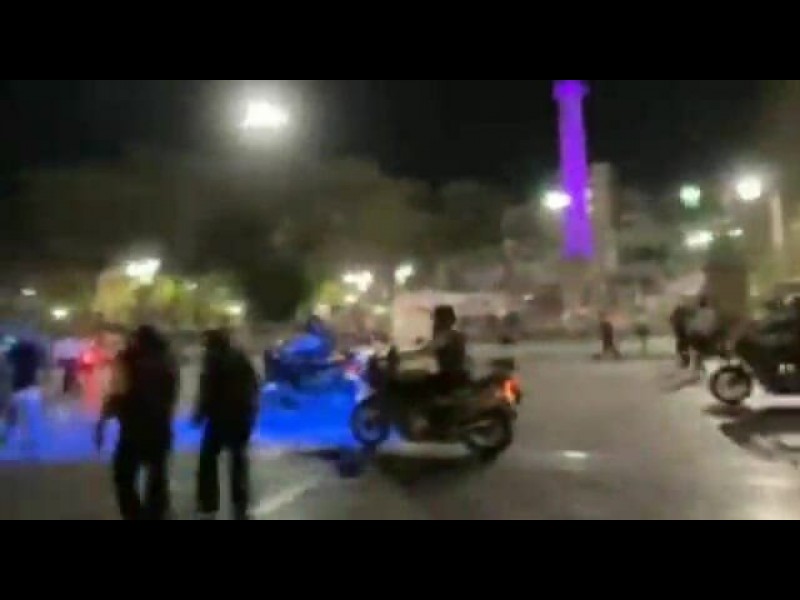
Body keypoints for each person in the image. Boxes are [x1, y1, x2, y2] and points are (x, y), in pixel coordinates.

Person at [95, 326, 179, 521]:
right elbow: (171, 395)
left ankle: (134, 514)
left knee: (123, 476)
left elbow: (118, 393)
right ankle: (156, 513)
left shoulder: (127, 360)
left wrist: (102, 422)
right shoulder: (168, 361)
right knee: (157, 475)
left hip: (133, 428)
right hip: (160, 427)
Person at [194, 329, 259, 520]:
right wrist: (251, 411)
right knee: (238, 462)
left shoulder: (212, 360)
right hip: (240, 417)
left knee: (207, 461)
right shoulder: (240, 357)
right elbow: (253, 384)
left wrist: (199, 414)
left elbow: (207, 390)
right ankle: (240, 506)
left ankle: (208, 505)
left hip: (219, 419)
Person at [6, 337, 47, 456]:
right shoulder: (34, 356)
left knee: (16, 416)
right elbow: (42, 363)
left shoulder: (15, 355)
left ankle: (13, 439)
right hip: (32, 389)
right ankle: (31, 443)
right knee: (32, 418)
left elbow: (8, 362)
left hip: (18, 388)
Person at [274, 316, 337, 387]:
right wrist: (331, 361)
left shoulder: (300, 340)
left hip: (290, 376)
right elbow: (316, 362)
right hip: (304, 378)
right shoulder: (315, 342)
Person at [670, 301, 693, 369]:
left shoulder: (676, 312)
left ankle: (684, 360)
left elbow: (671, 319)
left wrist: (673, 325)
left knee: (681, 346)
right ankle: (685, 360)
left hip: (680, 332)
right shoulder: (686, 312)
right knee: (685, 346)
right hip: (685, 332)